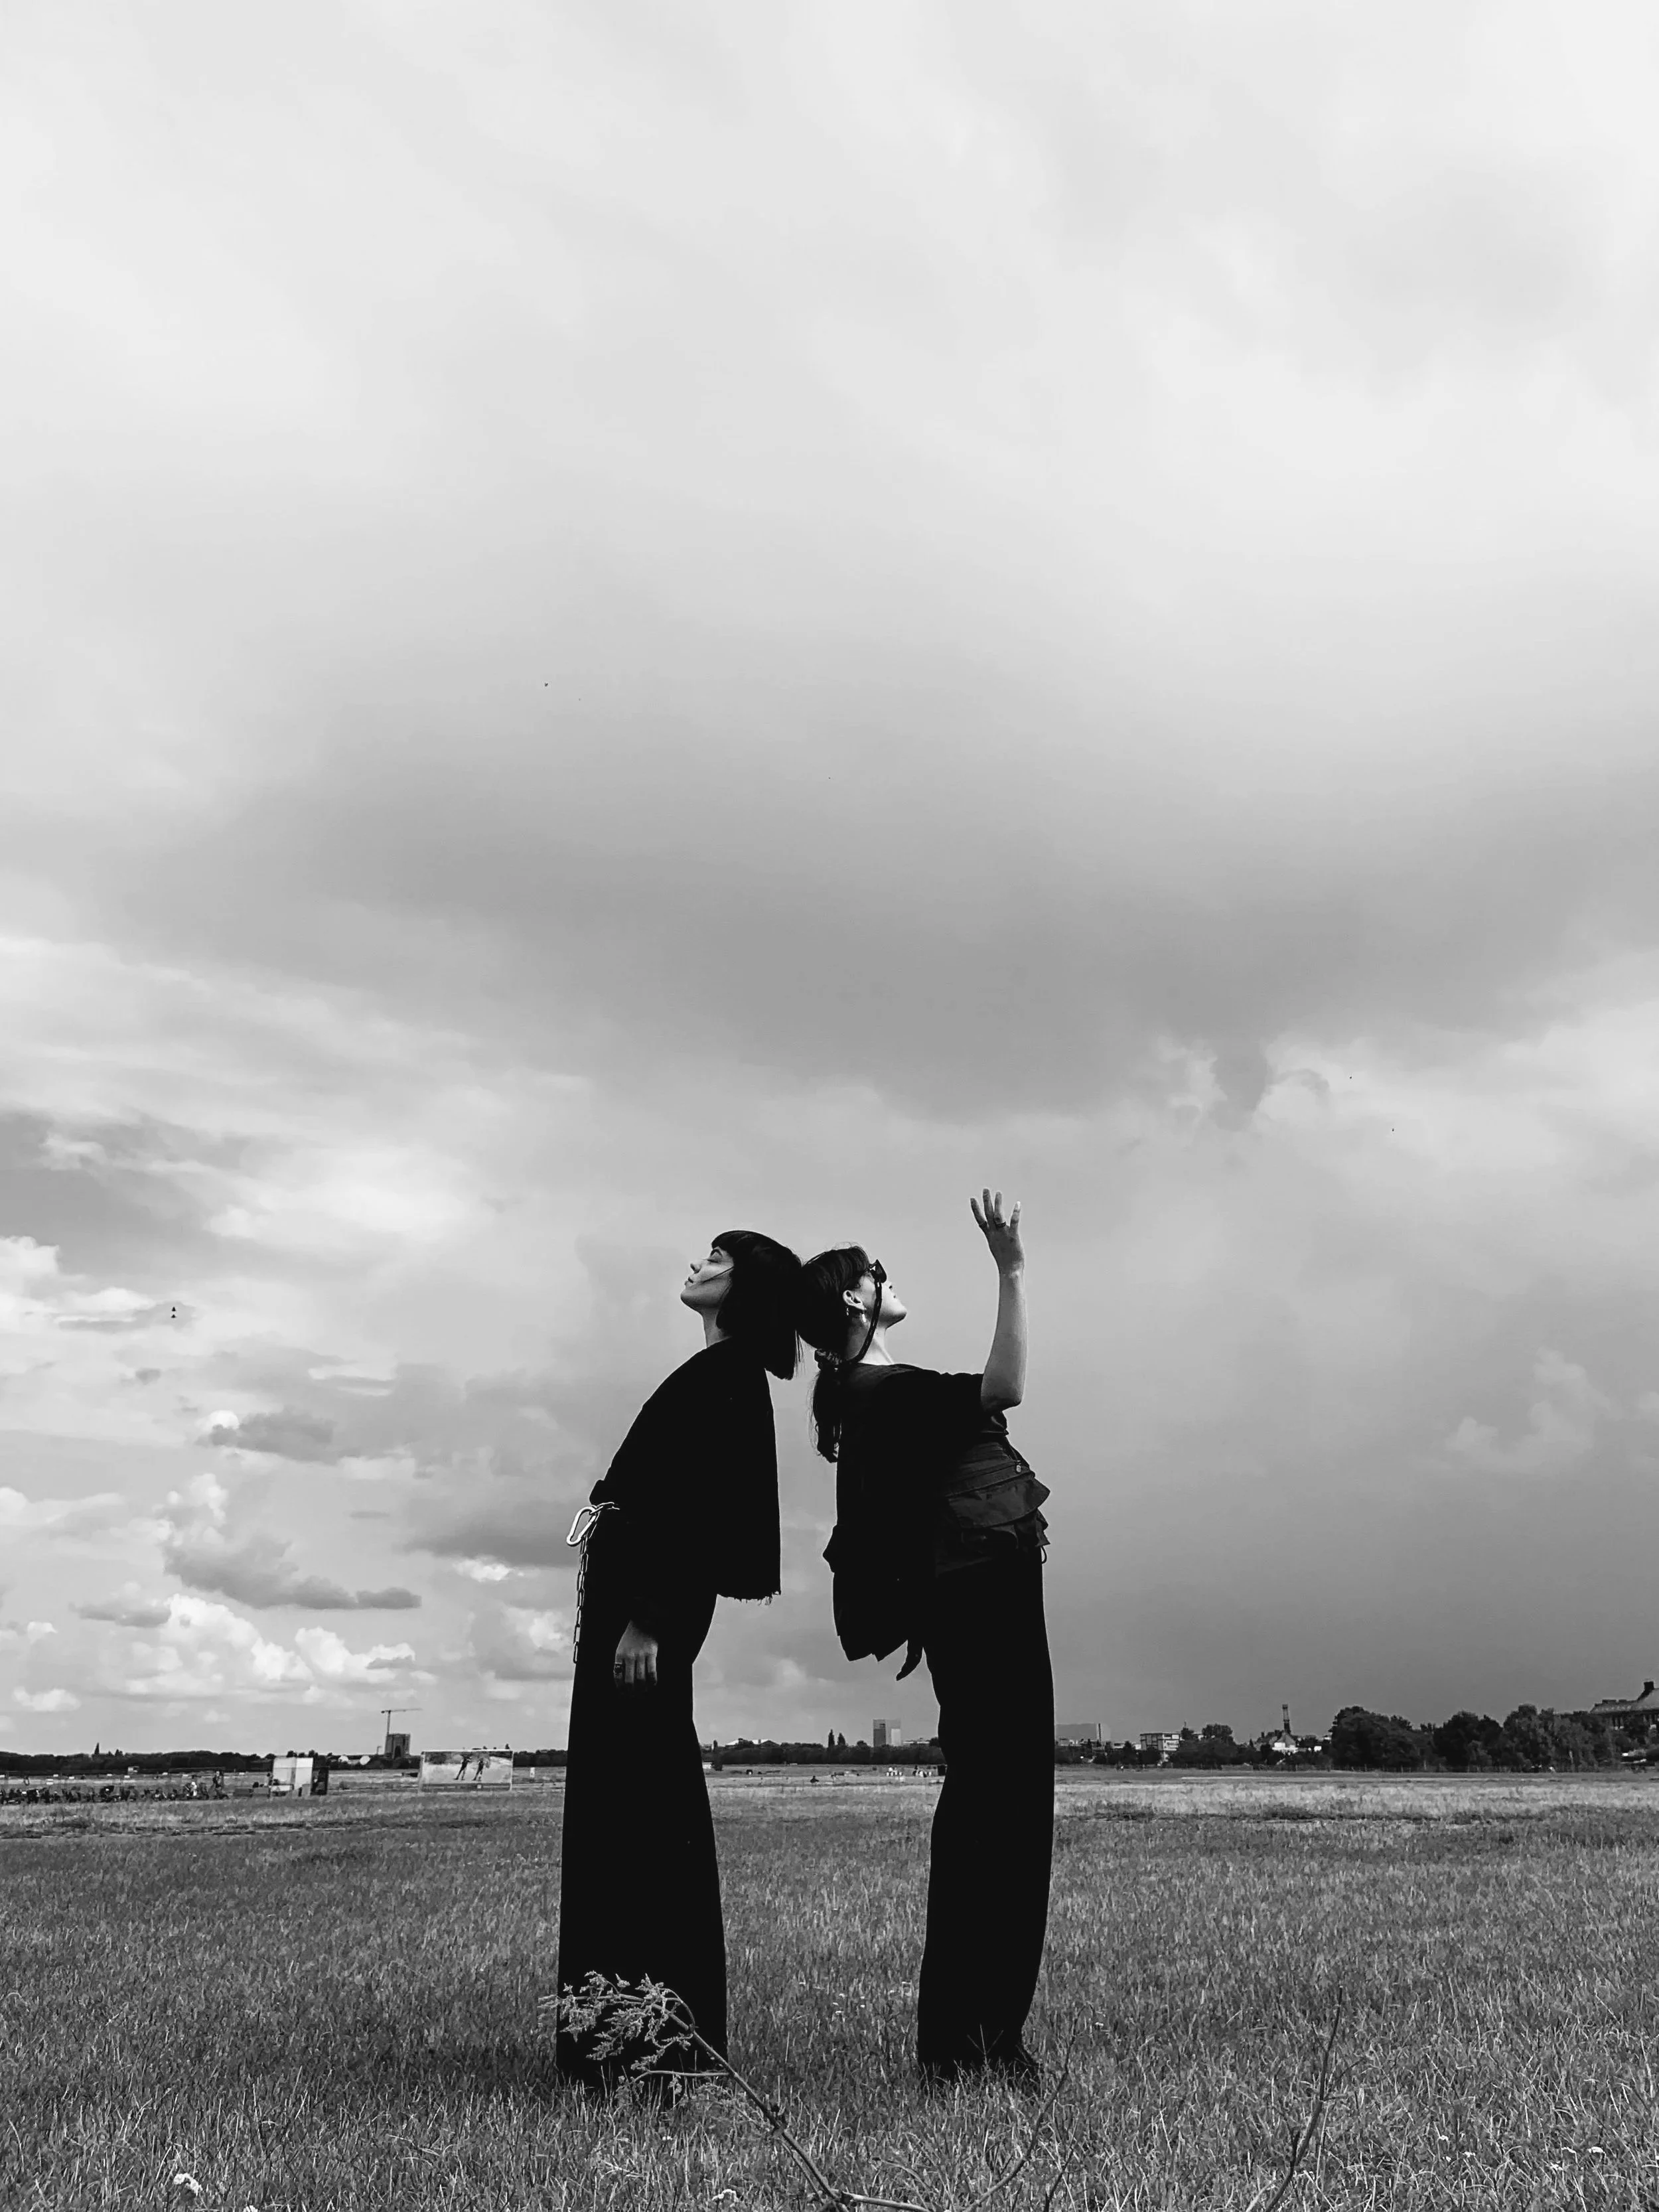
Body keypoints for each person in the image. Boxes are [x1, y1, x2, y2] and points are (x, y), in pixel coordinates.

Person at [796, 1193, 1052, 2087]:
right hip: (985, 1597)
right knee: (1005, 1809)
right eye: (875, 1272)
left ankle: (968, 2039)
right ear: (855, 1303)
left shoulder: (867, 1395)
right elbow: (1006, 1387)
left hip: (973, 1596)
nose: (887, 1276)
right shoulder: (884, 1391)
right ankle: (973, 2043)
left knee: (990, 1804)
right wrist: (1011, 1268)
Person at [555, 1228, 801, 2090]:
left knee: (640, 1822)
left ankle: (648, 2046)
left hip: (646, 1624)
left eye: (718, 1262)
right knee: (629, 1815)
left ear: (748, 1289)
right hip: (633, 1610)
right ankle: (629, 2039)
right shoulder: (716, 1376)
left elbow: (704, 1514)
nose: (696, 1268)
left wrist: (652, 1620)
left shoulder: (728, 1380)